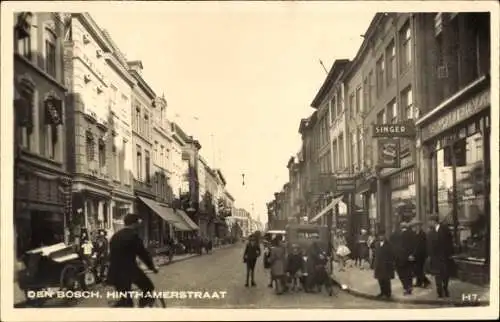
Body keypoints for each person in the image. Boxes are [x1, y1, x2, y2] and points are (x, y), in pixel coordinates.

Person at [107, 213, 158, 307]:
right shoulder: (133, 236)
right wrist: (152, 267)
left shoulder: (115, 236)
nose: (139, 225)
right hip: (130, 270)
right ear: (134, 224)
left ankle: (120, 306)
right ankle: (142, 306)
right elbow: (143, 254)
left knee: (126, 300)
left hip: (114, 272)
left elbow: (111, 255)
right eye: (137, 223)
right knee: (148, 287)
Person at [426, 214, 454, 298]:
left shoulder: (445, 229)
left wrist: (449, 254)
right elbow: (429, 246)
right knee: (437, 275)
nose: (428, 223)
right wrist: (430, 256)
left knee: (445, 275)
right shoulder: (430, 233)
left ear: (433, 221)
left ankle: (445, 288)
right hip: (435, 258)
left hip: (445, 257)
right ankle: (440, 292)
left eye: (429, 221)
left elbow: (450, 242)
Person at [393, 221, 416, 295]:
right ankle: (409, 286)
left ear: (400, 227)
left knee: (401, 273)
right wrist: (412, 254)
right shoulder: (412, 234)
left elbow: (395, 247)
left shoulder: (397, 235)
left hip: (400, 258)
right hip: (409, 257)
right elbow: (414, 245)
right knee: (409, 272)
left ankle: (406, 287)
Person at [373, 230, 395, 299]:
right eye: (380, 236)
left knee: (386, 280)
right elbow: (375, 254)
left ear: (385, 236)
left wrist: (390, 264)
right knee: (380, 279)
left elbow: (391, 255)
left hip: (386, 265)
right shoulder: (377, 244)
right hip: (378, 264)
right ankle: (382, 292)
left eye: (382, 235)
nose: (381, 237)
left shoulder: (389, 244)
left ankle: (388, 293)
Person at [410, 219, 431, 288]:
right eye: (413, 226)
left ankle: (426, 281)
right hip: (416, 254)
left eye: (415, 226)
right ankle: (419, 282)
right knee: (417, 269)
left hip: (421, 254)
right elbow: (414, 245)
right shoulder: (415, 234)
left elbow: (420, 246)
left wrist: (413, 255)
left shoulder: (422, 234)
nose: (414, 227)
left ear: (419, 226)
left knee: (418, 269)